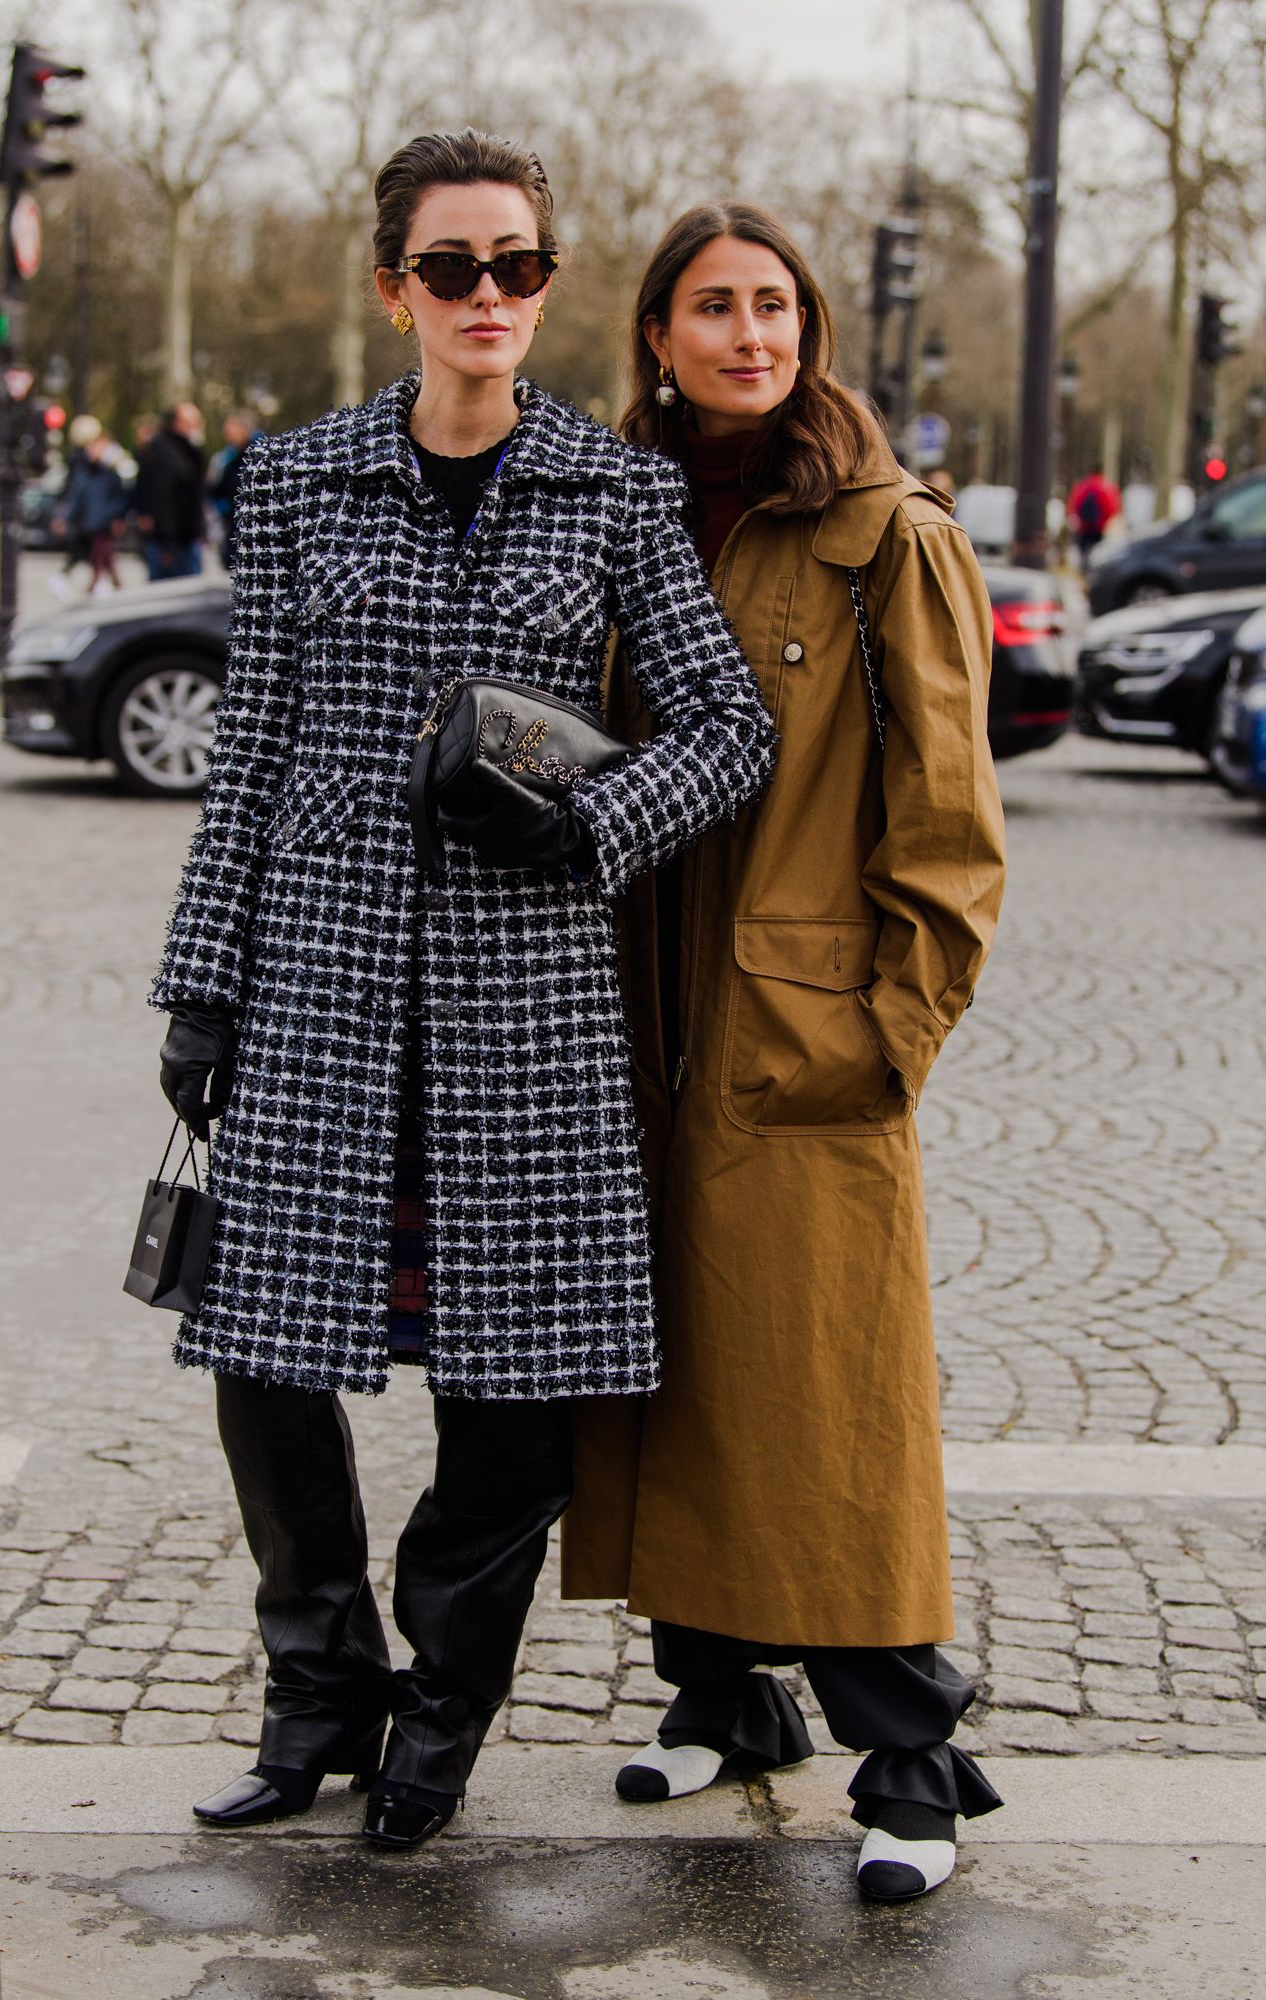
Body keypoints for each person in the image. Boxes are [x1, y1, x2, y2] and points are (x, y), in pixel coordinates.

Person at [150, 133, 774, 1852]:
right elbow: (250, 750)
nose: (487, 298)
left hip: (530, 1015)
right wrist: (203, 987)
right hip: (319, 996)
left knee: (512, 1399)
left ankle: (443, 1705)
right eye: (452, 269)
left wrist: (583, 824)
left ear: (548, 288)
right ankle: (315, 1686)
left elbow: (731, 731)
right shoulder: (294, 481)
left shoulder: (615, 493)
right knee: (262, 1360)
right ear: (393, 288)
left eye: (516, 267)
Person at [563, 203, 1008, 1904]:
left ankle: (906, 1754)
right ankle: (717, 1695)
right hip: (623, 1025)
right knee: (666, 1368)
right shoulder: (615, 511)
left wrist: (888, 1030)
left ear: (808, 331)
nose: (746, 334)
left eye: (772, 306)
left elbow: (950, 819)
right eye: (710, 308)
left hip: (796, 1030)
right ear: (657, 338)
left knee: (822, 1397)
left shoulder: (882, 533)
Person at [135, 403, 206, 579]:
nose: (197, 426)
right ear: (177, 423)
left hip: (184, 538)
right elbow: (163, 499)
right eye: (192, 421)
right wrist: (167, 542)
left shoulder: (187, 452)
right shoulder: (166, 455)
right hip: (172, 543)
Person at [61, 427, 127, 594]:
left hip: (103, 520)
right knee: (102, 553)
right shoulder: (83, 471)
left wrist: (117, 516)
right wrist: (68, 516)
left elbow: (119, 497)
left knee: (100, 551)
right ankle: (114, 581)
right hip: (90, 519)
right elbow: (77, 495)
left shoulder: (110, 474)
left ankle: (96, 582)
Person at [206, 410, 259, 571]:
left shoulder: (255, 456)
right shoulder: (229, 457)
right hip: (233, 524)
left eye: (231, 429)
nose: (226, 433)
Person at [1066, 464, 1121, 567]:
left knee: (1083, 549)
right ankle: (1093, 568)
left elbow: (1074, 503)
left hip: (1083, 526)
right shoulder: (1106, 486)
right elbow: (1111, 507)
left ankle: (1083, 568)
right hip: (1098, 527)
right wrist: (1105, 521)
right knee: (1096, 549)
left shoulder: (1083, 485)